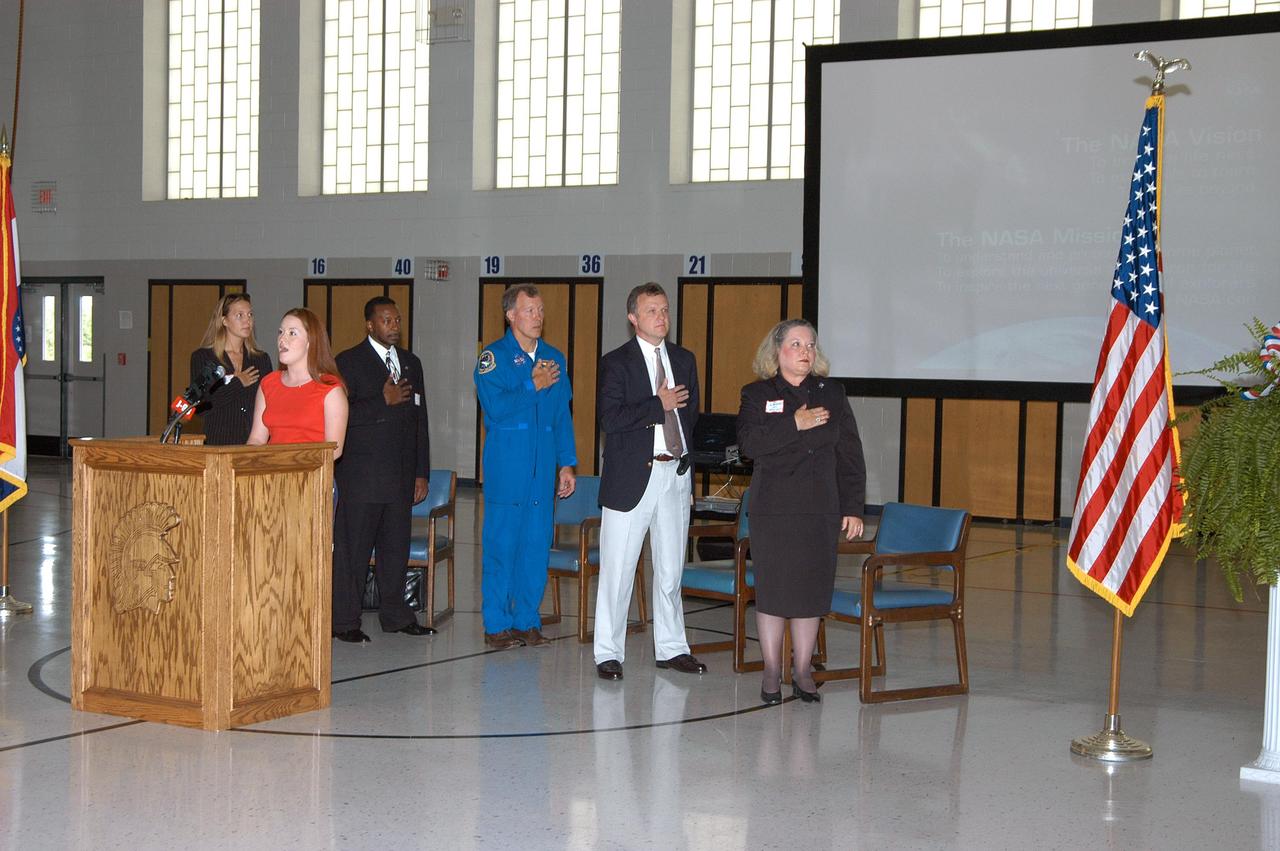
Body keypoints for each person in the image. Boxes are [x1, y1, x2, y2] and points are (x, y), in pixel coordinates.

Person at [737, 319, 866, 705]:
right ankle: (772, 672)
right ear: (777, 351)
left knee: (810, 593)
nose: (805, 351)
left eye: (810, 344)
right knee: (775, 594)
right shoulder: (757, 394)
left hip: (819, 510)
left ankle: (804, 671)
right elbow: (750, 444)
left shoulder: (833, 393)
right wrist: (794, 423)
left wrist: (853, 507)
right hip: (774, 510)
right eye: (796, 344)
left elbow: (850, 455)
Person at [593, 283, 706, 681]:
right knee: (618, 570)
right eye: (652, 310)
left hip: (674, 474)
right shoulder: (616, 363)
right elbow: (610, 419)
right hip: (631, 477)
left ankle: (673, 648)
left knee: (672, 569)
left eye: (665, 309)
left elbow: (691, 418)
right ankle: (608, 652)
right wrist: (658, 405)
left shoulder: (684, 359)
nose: (661, 316)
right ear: (633, 318)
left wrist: (684, 462)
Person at [474, 284, 577, 650]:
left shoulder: (554, 358)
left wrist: (567, 463)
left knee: (535, 546)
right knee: (502, 546)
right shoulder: (493, 357)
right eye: (529, 311)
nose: (537, 317)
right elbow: (496, 408)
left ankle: (527, 620)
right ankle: (497, 624)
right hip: (507, 467)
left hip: (543, 468)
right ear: (511, 315)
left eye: (540, 311)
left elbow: (562, 416)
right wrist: (530, 385)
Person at [331, 297, 433, 643]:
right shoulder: (348, 361)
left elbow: (421, 421)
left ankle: (396, 616)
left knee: (395, 550)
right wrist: (381, 401)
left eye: (397, 320)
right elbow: (338, 417)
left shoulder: (411, 363)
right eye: (386, 320)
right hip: (361, 477)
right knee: (354, 552)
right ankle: (344, 621)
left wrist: (421, 472)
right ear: (370, 325)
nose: (394, 326)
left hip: (400, 476)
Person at [247, 308, 348, 457]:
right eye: (280, 332)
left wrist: (290, 464)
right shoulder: (269, 383)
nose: (282, 339)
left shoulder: (330, 389)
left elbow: (334, 451)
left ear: (311, 341)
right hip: (270, 475)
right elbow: (256, 438)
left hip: (313, 475)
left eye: (292, 333)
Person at [190, 293, 273, 445]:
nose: (247, 320)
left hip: (254, 447)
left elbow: (270, 406)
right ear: (224, 321)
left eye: (250, 315)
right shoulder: (204, 358)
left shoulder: (261, 360)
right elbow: (202, 407)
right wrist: (237, 383)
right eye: (239, 315)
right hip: (219, 445)